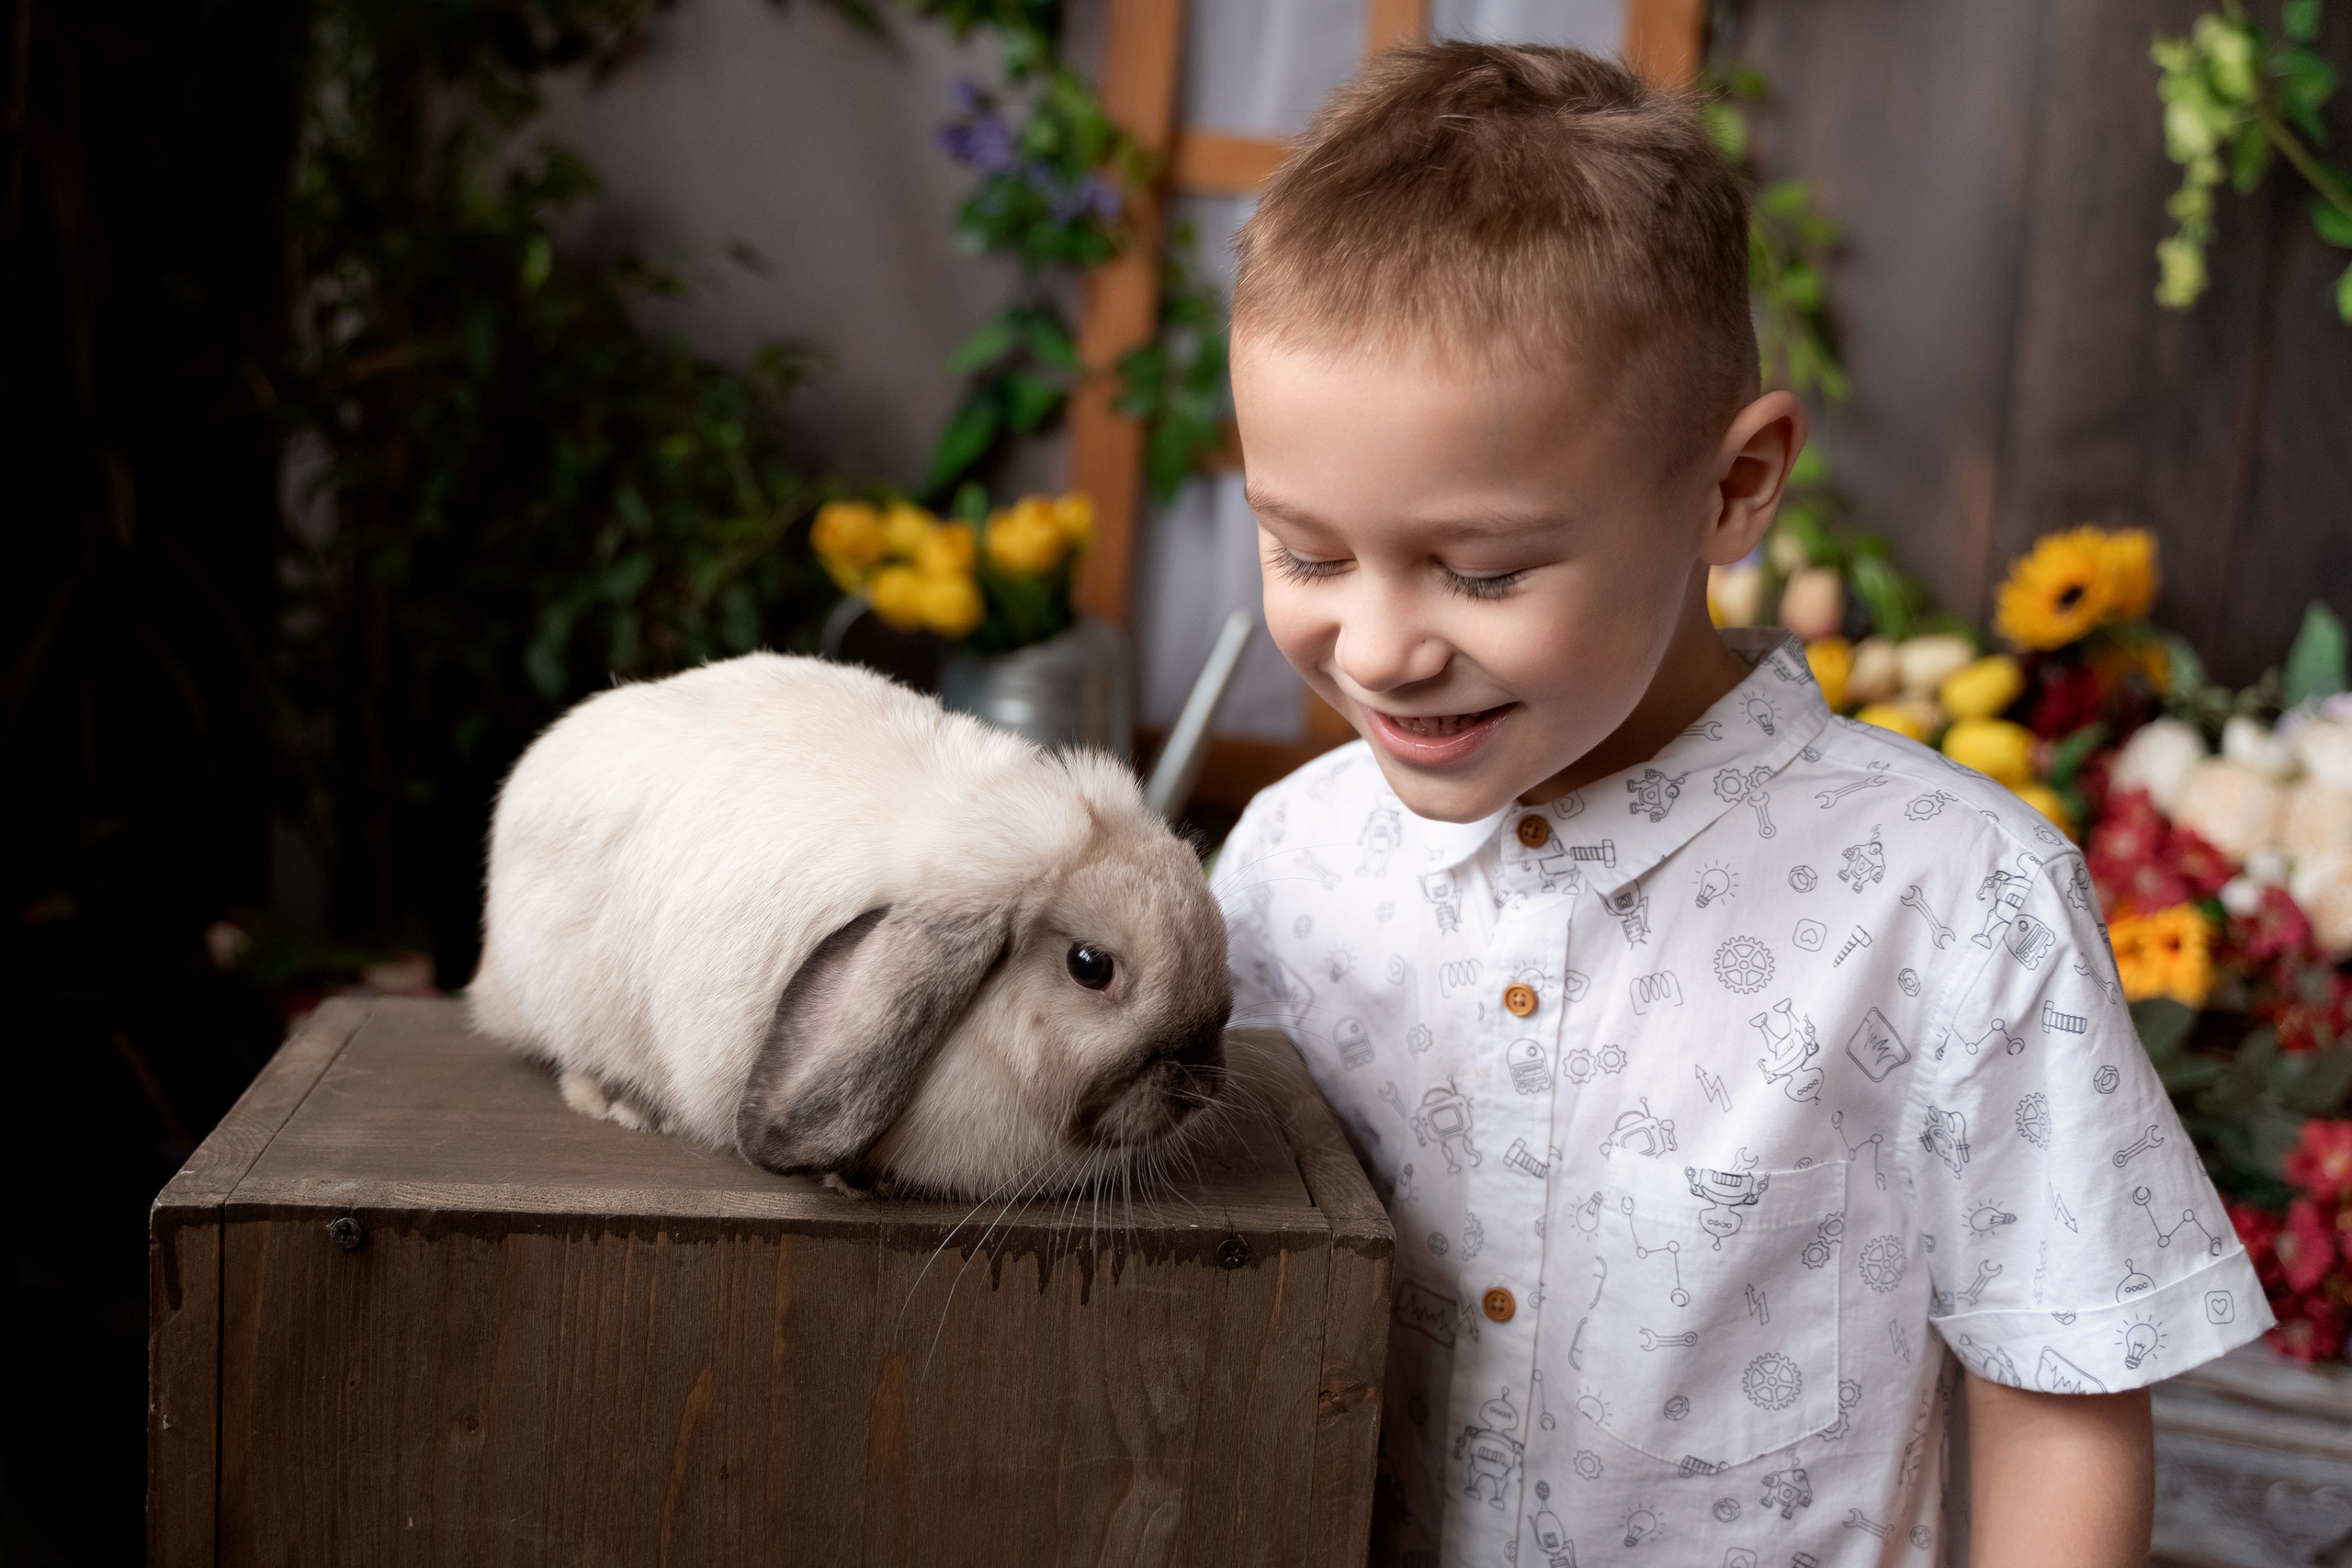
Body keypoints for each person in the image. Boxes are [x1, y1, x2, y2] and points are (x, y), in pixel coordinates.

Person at [1210, 42, 2265, 1568]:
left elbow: (2060, 1390)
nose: (1377, 649)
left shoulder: (1957, 901)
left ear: (1735, 485)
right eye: (1306, 555)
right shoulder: (1288, 871)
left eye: (1485, 571)